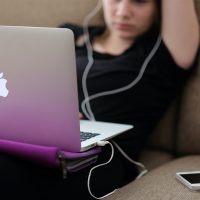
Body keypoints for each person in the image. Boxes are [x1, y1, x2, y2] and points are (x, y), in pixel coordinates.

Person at [0, 0, 199, 199]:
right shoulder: (68, 36)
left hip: (101, 157)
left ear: (157, 7)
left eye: (139, 1)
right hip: (39, 139)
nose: (123, 12)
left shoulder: (164, 53)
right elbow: (23, 85)